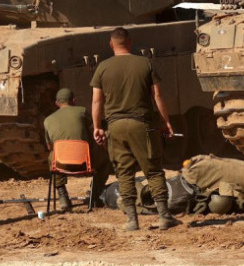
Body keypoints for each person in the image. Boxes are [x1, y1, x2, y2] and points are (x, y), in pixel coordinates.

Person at [90, 27, 181, 231]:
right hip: (143, 124)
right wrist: (165, 121)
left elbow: (97, 101)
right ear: (130, 42)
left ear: (111, 44)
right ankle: (164, 216)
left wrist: (97, 126)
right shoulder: (145, 63)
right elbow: (157, 96)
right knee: (154, 171)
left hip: (115, 126)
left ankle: (131, 219)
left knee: (124, 173)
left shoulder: (102, 68)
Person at [44, 87, 111, 211]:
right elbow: (93, 132)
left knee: (52, 155)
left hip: (61, 166)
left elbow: (49, 146)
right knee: (105, 160)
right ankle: (94, 195)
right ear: (73, 101)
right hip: (85, 163)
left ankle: (62, 195)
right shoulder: (82, 111)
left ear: (56, 103)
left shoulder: (47, 120)